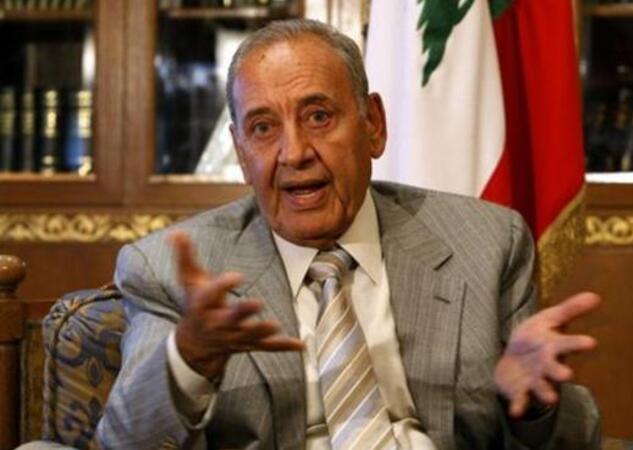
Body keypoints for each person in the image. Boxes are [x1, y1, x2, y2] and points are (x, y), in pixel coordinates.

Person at [95, 19, 600, 449]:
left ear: (373, 125)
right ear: (241, 152)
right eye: (264, 128)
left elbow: (572, 439)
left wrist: (531, 408)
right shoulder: (167, 269)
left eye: (318, 117)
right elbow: (123, 441)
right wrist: (190, 359)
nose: (295, 153)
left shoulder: (485, 243)